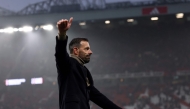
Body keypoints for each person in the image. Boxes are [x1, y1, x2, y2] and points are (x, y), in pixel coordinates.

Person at [55, 17, 122, 109]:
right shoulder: (67, 64)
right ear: (76, 50)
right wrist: (62, 34)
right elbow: (60, 54)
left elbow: (97, 97)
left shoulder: (84, 71)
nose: (90, 52)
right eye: (86, 49)